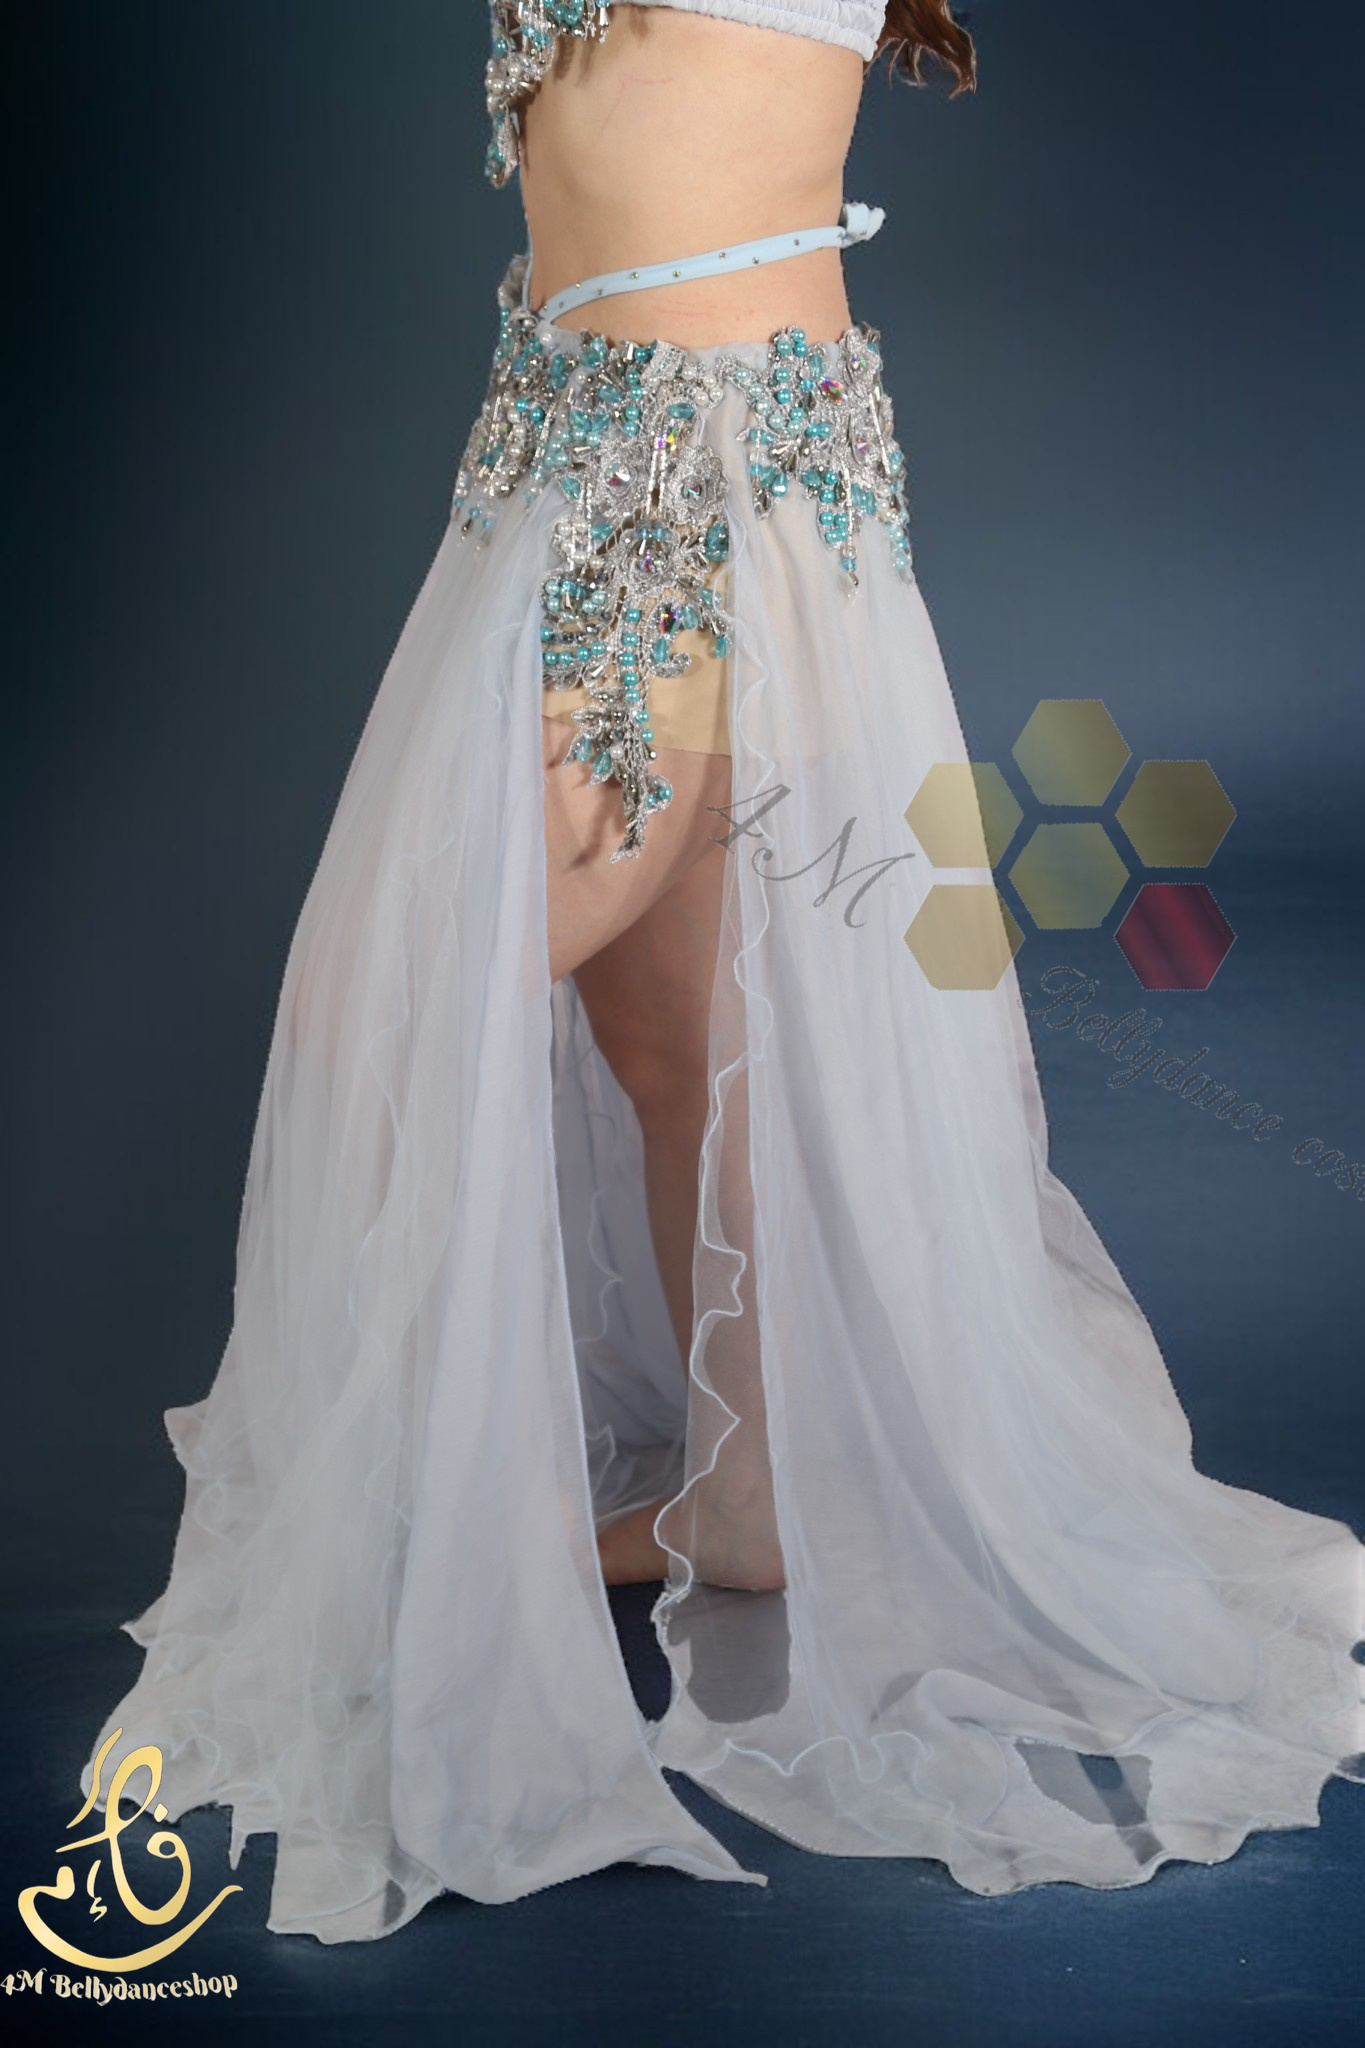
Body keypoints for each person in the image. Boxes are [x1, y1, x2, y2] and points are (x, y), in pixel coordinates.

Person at [78, 1, 1363, 1945]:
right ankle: (745, 1497)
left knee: (404, 985)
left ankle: (441, 1552)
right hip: (573, 457)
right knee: (661, 1031)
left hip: (675, 493)